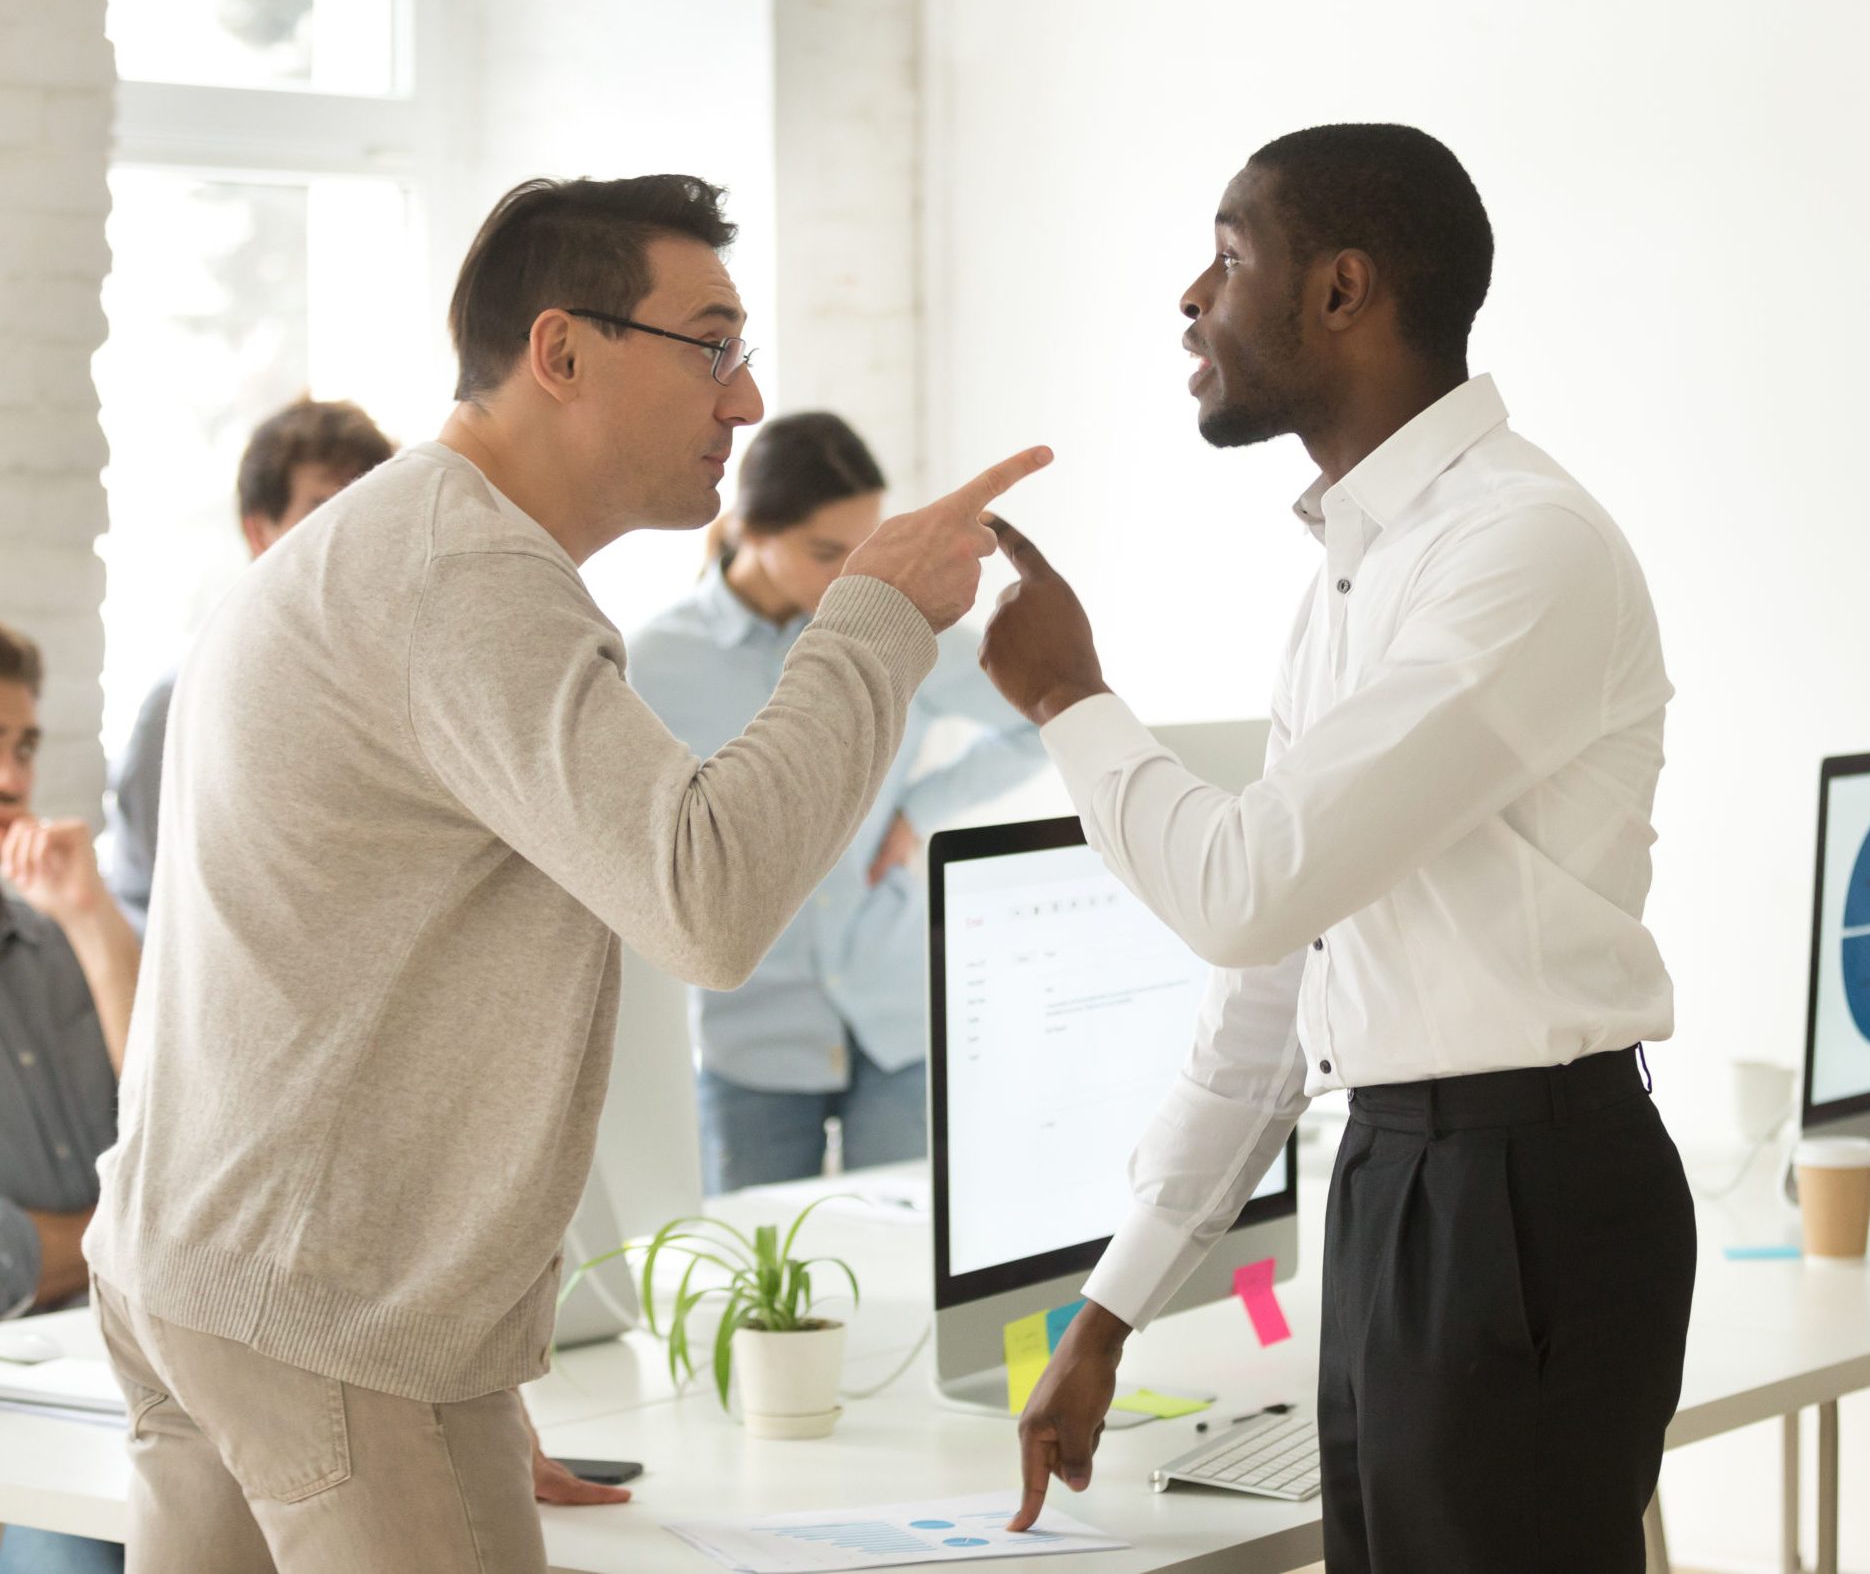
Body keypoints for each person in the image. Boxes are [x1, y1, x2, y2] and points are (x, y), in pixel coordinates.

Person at [80, 173, 1049, 1574]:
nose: (748, 396)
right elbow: (706, 899)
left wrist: (453, 1359)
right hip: (321, 1318)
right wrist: (878, 615)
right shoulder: (464, 576)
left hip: (209, 1282)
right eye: (711, 342)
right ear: (562, 350)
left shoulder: (403, 548)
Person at [979, 124, 1695, 1571]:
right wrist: (1107, 1310)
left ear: (1343, 291)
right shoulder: (1358, 571)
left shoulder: (1521, 547)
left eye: (1230, 254)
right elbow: (1288, 976)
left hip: (1522, 1190)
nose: (1192, 294)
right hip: (1395, 1178)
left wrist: (1068, 694)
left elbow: (1244, 891)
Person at [629, 412, 1044, 1188]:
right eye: (826, 554)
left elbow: (1040, 720)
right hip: (751, 1033)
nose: (849, 579)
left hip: (895, 1018)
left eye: (861, 552)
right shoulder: (657, 661)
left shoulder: (903, 627)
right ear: (748, 529)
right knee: (757, 1284)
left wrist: (915, 811)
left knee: (907, 1268)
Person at [106, 397, 397, 933]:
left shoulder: (397, 694)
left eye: (366, 507)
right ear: (259, 531)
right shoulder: (183, 701)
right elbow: (151, 904)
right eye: (322, 510)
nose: (350, 533)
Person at [0, 623, 139, 1574]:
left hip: (95, 1391)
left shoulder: (60, 940)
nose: (13, 779)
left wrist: (94, 925)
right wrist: (126, 1236)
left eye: (22, 744)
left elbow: (188, 1146)